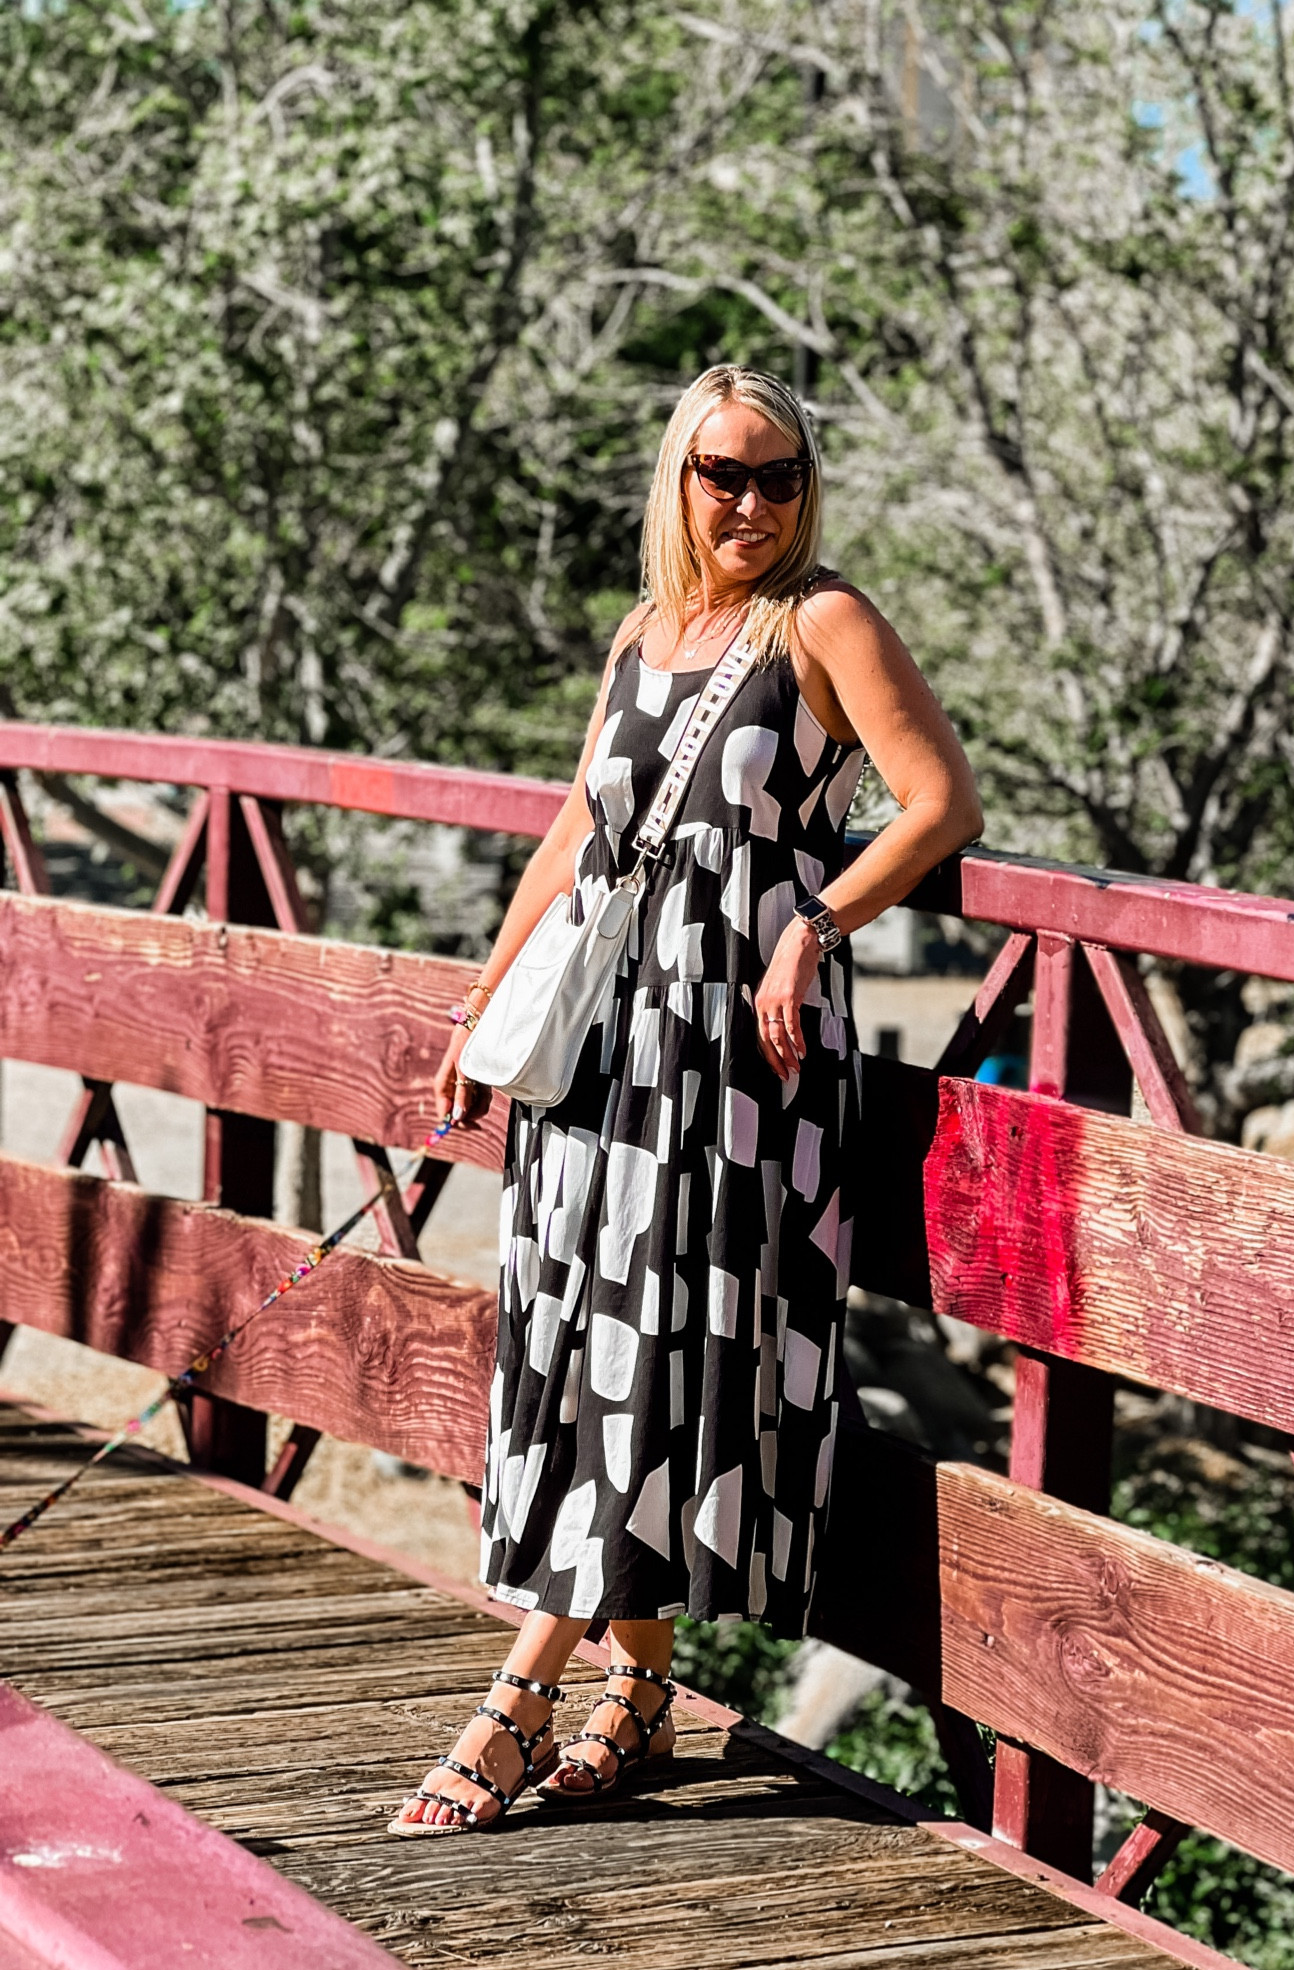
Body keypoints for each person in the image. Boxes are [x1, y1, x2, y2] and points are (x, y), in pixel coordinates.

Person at [391, 363, 981, 1836]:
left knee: (661, 1358)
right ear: (680, 478)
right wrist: (486, 1004)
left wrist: (816, 921)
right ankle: (643, 1695)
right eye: (725, 472)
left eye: (781, 476)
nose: (753, 502)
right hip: (603, 1049)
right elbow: (576, 834)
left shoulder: (823, 621)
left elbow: (941, 803)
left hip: (737, 1064)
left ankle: (519, 1695)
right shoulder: (645, 634)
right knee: (585, 1341)